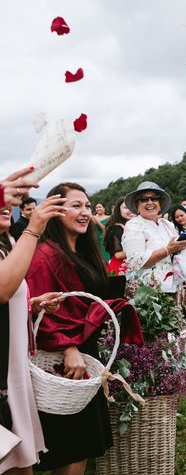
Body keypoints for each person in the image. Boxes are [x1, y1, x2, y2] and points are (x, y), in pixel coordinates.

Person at [25, 182, 142, 474]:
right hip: (64, 360)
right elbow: (40, 311)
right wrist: (68, 347)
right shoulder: (46, 255)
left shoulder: (83, 250)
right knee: (71, 449)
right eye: (76, 205)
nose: (85, 212)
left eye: (87, 206)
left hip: (85, 351)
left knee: (82, 448)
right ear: (55, 210)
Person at [0, 191, 66, 475]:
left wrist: (32, 304)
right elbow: (2, 291)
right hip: (3, 372)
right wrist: (34, 228)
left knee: (19, 461)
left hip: (13, 367)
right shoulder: (23, 236)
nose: (6, 204)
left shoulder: (7, 243)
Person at [121, 182, 186, 293]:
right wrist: (168, 250)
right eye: (144, 199)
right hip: (148, 293)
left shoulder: (167, 224)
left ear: (160, 203)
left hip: (173, 287)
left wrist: (182, 245)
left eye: (154, 199)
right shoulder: (134, 225)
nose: (150, 202)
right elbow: (135, 261)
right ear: (137, 205)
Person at [104, 197, 134, 275]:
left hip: (130, 266)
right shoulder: (116, 228)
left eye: (132, 207)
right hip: (120, 268)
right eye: (126, 207)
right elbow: (118, 255)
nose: (130, 210)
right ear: (118, 210)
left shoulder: (128, 225)